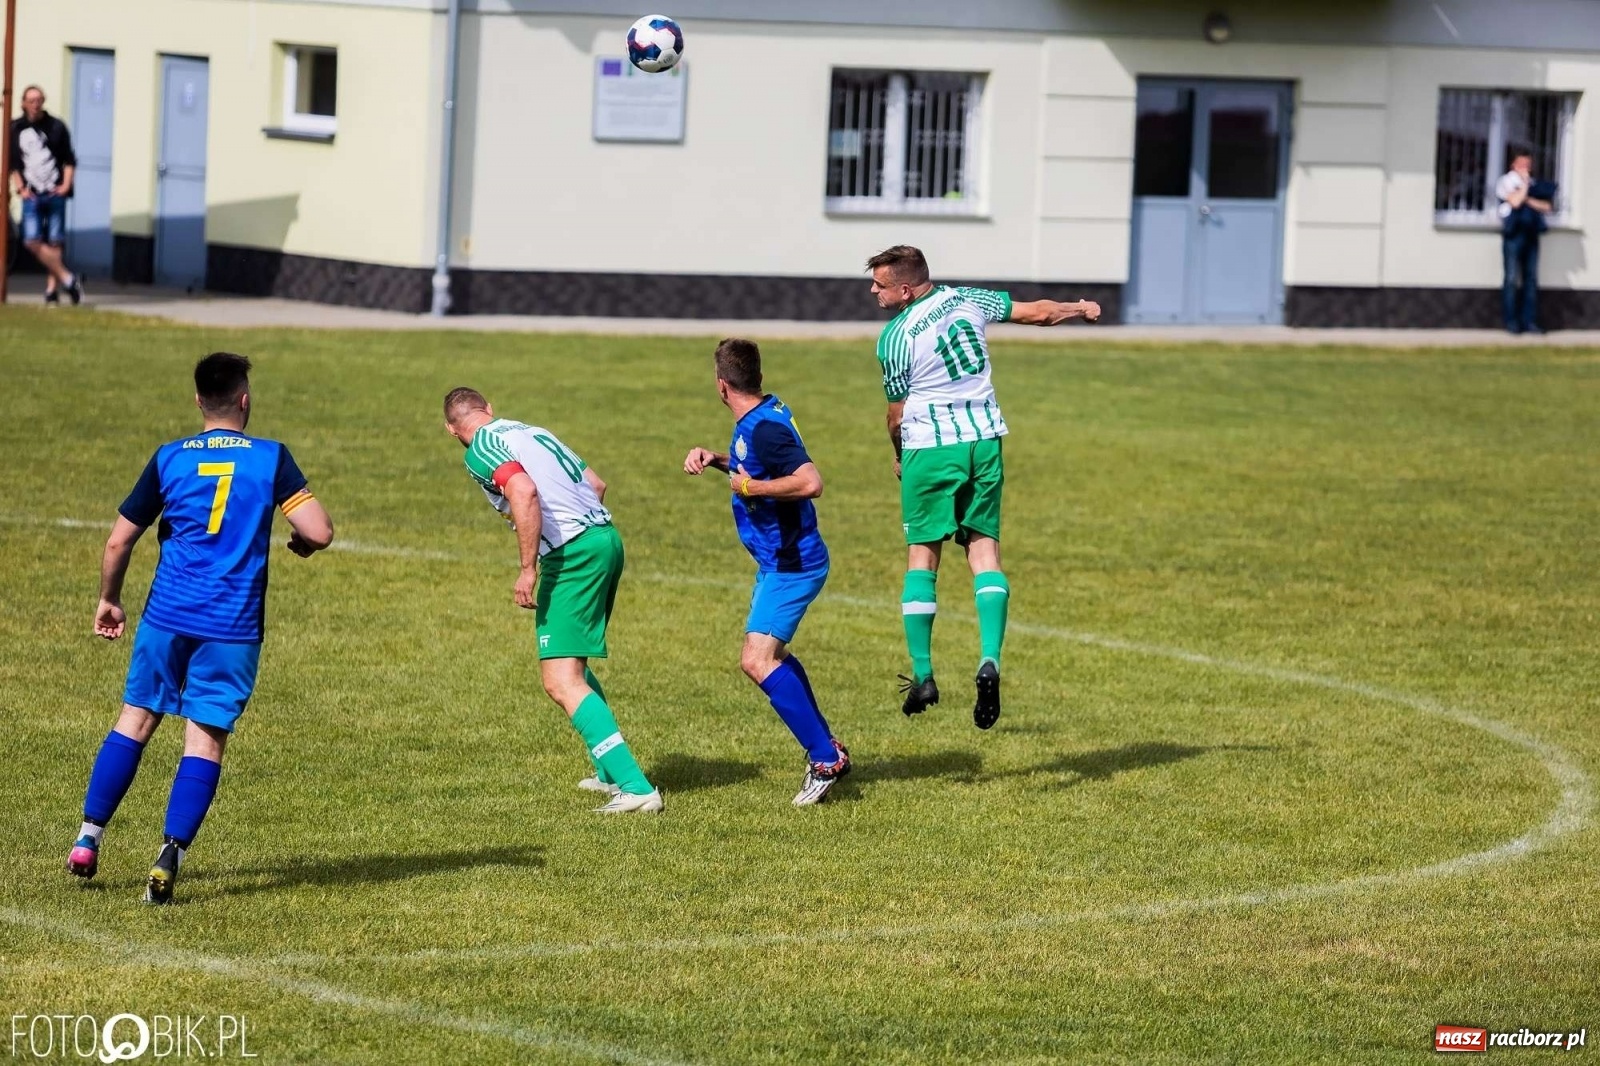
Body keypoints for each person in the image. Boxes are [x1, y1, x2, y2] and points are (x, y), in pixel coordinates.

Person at [67, 353, 335, 904]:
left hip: (168, 615)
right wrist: (303, 541)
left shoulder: (170, 458)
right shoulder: (270, 458)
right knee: (204, 738)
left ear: (197, 401)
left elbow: (119, 540)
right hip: (232, 626)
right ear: (244, 399)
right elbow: (319, 530)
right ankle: (169, 856)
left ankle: (88, 838)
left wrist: (109, 600)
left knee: (135, 720)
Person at [866, 244, 1100, 729]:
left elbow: (896, 413)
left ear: (905, 288)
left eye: (880, 284)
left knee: (922, 557)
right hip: (985, 440)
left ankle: (924, 674)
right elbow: (1036, 312)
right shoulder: (968, 298)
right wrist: (1079, 308)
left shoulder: (894, 338)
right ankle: (989, 659)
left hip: (931, 448)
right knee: (985, 552)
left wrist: (897, 453)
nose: (873, 291)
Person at [444, 388, 662, 814]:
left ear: (451, 429)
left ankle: (637, 788)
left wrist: (530, 568)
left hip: (574, 555)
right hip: (605, 541)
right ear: (488, 407)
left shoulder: (480, 450)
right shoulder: (531, 431)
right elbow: (597, 484)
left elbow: (522, 492)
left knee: (559, 680)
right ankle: (610, 772)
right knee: (570, 661)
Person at [683, 339, 851, 806]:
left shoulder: (764, 430)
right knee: (772, 655)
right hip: (778, 561)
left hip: (792, 564)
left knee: (756, 660)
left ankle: (825, 758)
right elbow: (750, 464)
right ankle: (827, 747)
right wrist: (717, 459)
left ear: (721, 385)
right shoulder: (762, 414)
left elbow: (810, 482)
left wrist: (749, 484)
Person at [8, 86, 84, 306]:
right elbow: (13, 163)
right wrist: (21, 188)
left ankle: (52, 291)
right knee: (31, 240)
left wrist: (65, 185)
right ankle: (69, 279)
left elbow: (69, 159)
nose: (35, 104)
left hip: (54, 191)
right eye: (31, 100)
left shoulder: (56, 126)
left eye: (39, 100)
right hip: (31, 193)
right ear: (23, 103)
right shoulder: (16, 128)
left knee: (55, 241)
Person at [1496, 152, 1553, 335]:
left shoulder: (1535, 183)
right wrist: (1526, 188)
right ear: (1513, 164)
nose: (1526, 168)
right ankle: (1511, 322)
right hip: (1514, 235)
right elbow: (1515, 202)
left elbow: (1547, 207)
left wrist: (1528, 194)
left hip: (1531, 236)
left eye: (1528, 164)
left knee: (1530, 280)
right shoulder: (1506, 181)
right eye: (1522, 164)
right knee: (1512, 279)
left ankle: (1529, 321)